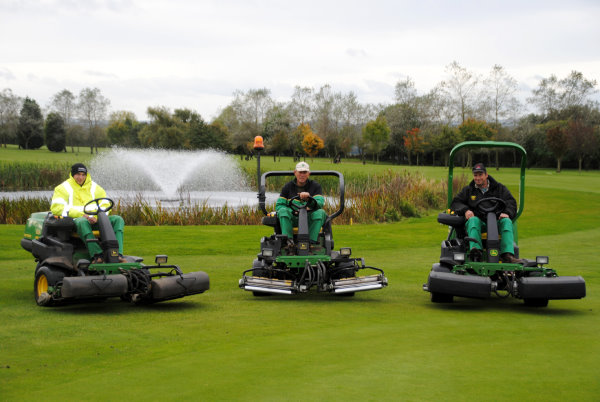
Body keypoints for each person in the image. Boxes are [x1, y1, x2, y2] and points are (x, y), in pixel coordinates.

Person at [51, 163, 125, 263]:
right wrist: (82, 215)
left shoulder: (94, 187)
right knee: (82, 222)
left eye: (83, 174)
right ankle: (97, 255)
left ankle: (117, 253)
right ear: (72, 175)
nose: (80, 177)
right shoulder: (63, 188)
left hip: (95, 220)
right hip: (76, 222)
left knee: (118, 219)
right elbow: (57, 208)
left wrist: (98, 217)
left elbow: (105, 203)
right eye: (78, 174)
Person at [450, 162, 524, 264]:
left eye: (480, 175)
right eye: (475, 175)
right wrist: (466, 210)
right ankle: (476, 252)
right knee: (474, 220)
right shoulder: (469, 190)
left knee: (507, 221)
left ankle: (507, 255)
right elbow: (456, 202)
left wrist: (507, 213)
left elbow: (511, 202)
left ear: (486, 175)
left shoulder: (499, 188)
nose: (477, 178)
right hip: (480, 222)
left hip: (497, 222)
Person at [276, 161, 327, 249]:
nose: (302, 175)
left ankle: (311, 242)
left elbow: (319, 204)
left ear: (309, 174)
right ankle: (289, 241)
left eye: (304, 172)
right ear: (295, 173)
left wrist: (308, 199)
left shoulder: (315, 186)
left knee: (320, 212)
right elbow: (279, 205)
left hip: (308, 217)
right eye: (300, 172)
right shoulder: (287, 187)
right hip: (293, 218)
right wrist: (293, 211)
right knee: (283, 211)